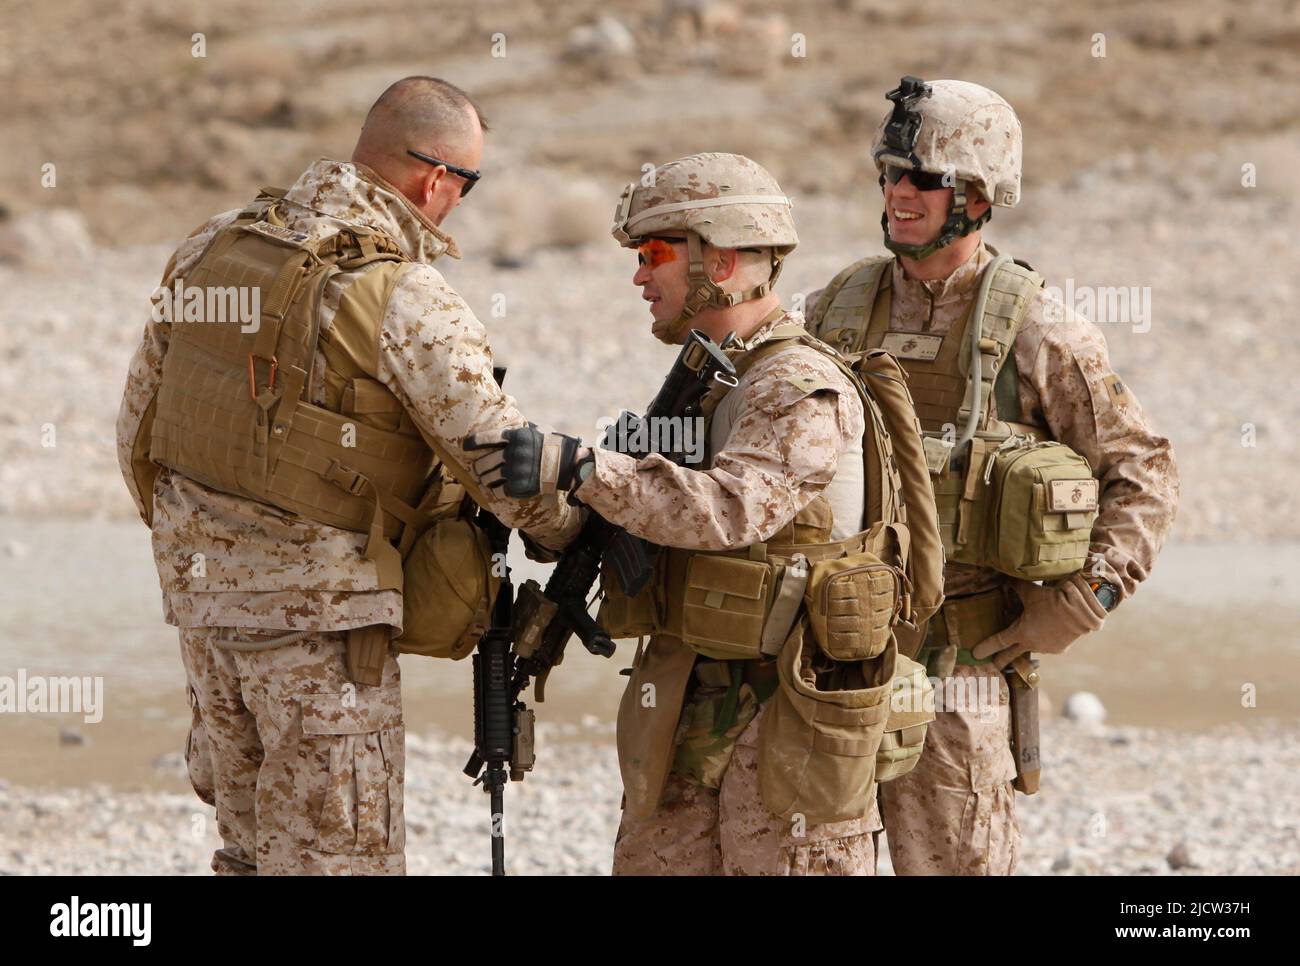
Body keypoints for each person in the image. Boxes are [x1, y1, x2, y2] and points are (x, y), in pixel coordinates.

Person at [115, 76, 579, 875]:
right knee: (340, 861)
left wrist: (209, 556)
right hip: (324, 636)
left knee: (249, 854)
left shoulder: (211, 246)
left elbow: (138, 432)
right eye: (467, 184)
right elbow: (503, 465)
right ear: (437, 180)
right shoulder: (400, 294)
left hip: (203, 615)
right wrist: (575, 528)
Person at [468, 153, 943, 875]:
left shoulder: (796, 383)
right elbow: (650, 512)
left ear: (720, 262)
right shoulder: (715, 380)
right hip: (695, 707)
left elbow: (731, 509)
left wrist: (583, 466)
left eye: (655, 254)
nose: (638, 275)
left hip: (791, 720)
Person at [804, 77, 1179, 875]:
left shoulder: (1038, 327)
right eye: (890, 173)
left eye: (925, 180)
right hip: (831, 658)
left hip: (962, 671)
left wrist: (1087, 599)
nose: (900, 193)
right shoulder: (835, 307)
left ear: (979, 195)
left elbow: (1142, 470)